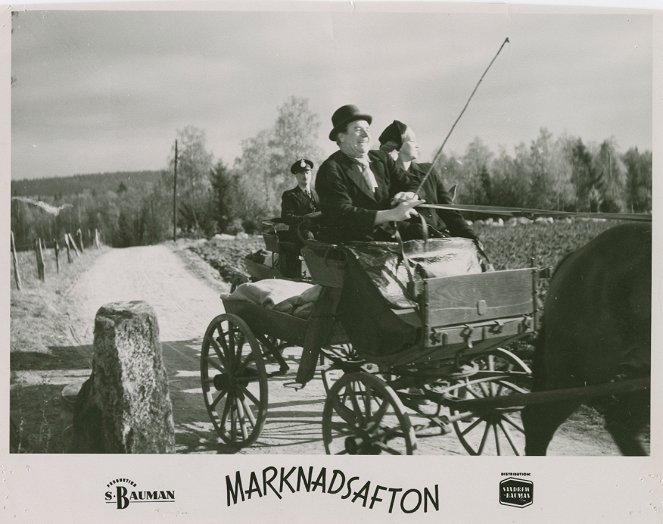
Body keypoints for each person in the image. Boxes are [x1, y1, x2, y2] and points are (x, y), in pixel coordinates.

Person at [315, 105, 423, 242]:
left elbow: (414, 182)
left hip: (392, 236)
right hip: (354, 245)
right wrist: (391, 214)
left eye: (367, 129)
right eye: (358, 130)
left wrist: (410, 194)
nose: (366, 135)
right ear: (341, 136)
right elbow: (342, 214)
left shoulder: (382, 159)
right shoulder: (331, 169)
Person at [378, 120, 477, 240]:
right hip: (406, 245)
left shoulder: (428, 171)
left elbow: (449, 211)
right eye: (412, 140)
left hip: (440, 239)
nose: (418, 145)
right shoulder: (383, 177)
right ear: (397, 145)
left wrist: (470, 237)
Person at [281, 158, 319, 224]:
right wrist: (304, 219)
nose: (305, 176)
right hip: (299, 230)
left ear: (311, 174)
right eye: (301, 173)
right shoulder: (290, 195)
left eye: (307, 172)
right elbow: (286, 217)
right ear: (296, 176)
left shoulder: (318, 193)